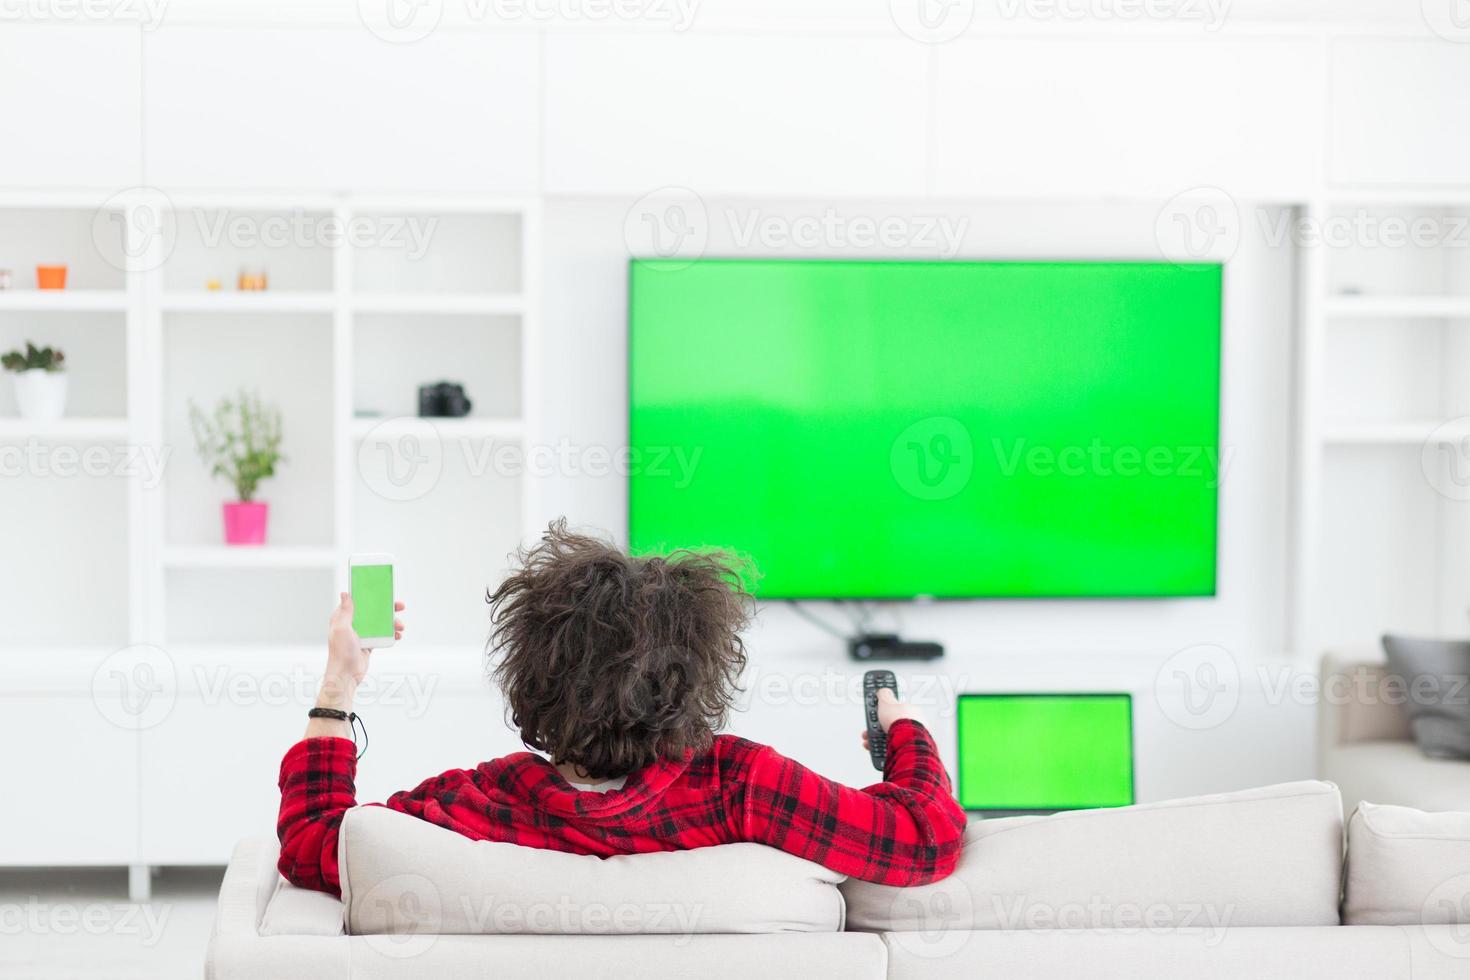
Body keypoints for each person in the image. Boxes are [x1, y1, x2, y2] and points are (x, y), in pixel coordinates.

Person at [277, 522, 967, 897]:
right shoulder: (744, 787)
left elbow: (312, 844)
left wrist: (338, 685)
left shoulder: (481, 801)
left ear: (531, 675)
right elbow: (928, 837)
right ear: (698, 675)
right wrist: (906, 732)